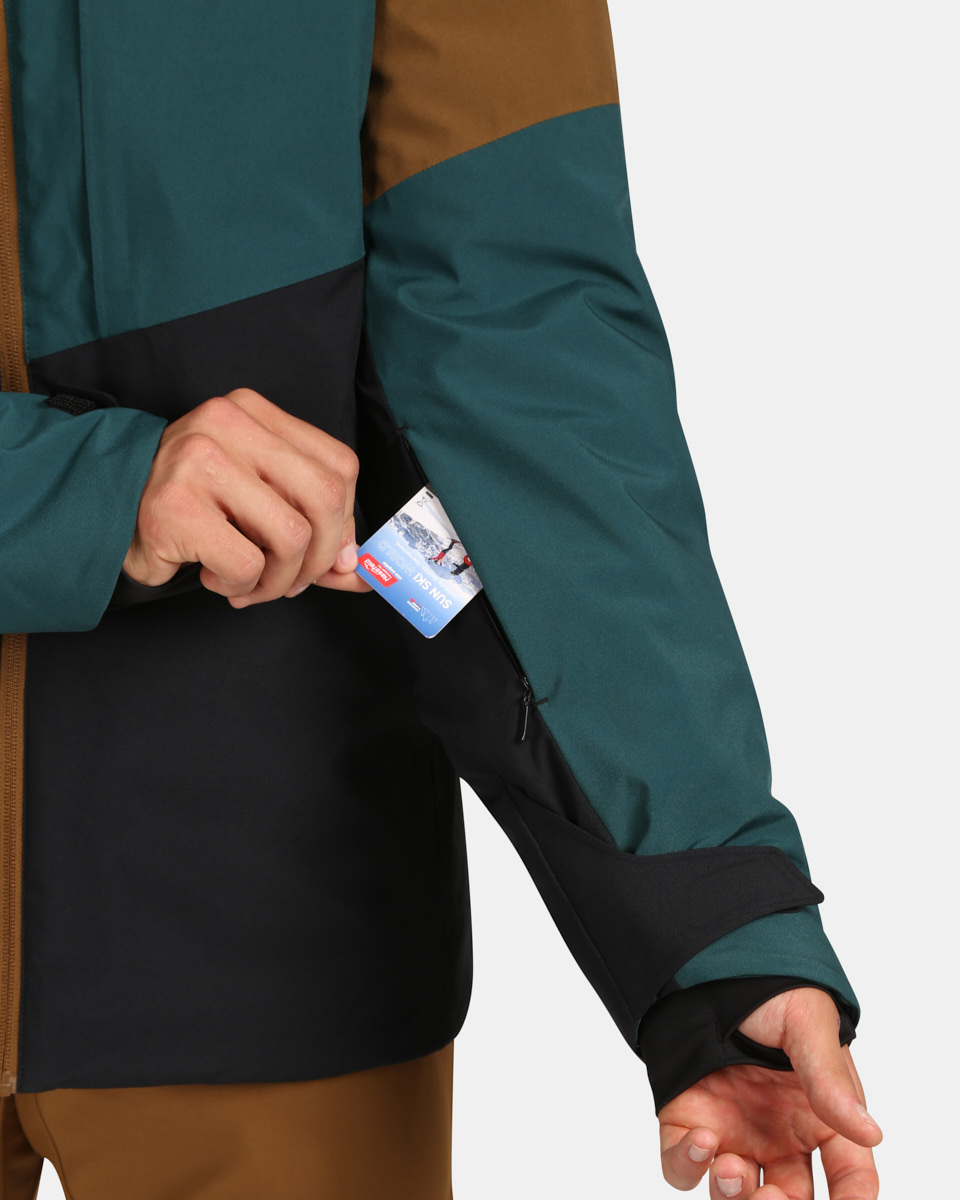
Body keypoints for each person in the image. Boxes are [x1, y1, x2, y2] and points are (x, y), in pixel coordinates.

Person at [0, 2, 880, 1197]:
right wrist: (76, 493)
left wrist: (705, 924)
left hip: (275, 930)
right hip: (286, 915)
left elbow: (520, 353)